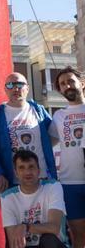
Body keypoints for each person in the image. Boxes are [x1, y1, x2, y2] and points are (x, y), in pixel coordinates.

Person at [0, 72, 56, 191]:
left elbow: (54, 135)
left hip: (42, 178)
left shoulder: (39, 110)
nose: (15, 88)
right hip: (12, 181)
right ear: (5, 90)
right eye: (10, 85)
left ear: (27, 88)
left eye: (19, 84)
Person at [48, 66, 85, 247]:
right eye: (63, 84)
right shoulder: (58, 116)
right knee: (78, 236)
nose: (67, 86)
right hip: (70, 184)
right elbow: (46, 145)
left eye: (71, 81)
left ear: (82, 83)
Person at [0, 150, 68, 248]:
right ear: (16, 173)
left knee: (48, 239)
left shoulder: (53, 186)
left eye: (31, 167)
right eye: (22, 168)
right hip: (26, 246)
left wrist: (26, 227)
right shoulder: (7, 197)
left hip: (53, 244)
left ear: (39, 170)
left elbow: (54, 228)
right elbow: (14, 241)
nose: (27, 172)